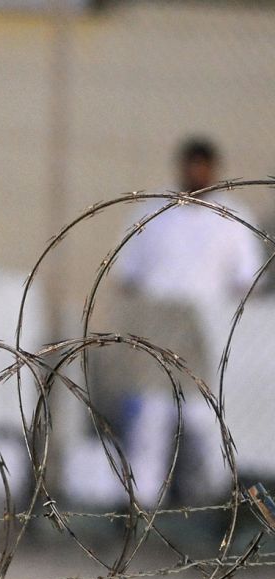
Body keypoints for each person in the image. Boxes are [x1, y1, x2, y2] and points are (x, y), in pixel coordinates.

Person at [100, 138, 265, 507]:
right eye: (191, 165)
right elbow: (128, 276)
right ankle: (142, 499)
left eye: (203, 166)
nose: (196, 174)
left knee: (204, 415)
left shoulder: (232, 218)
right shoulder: (155, 212)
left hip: (208, 326)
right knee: (151, 413)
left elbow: (248, 280)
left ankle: (214, 497)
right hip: (158, 324)